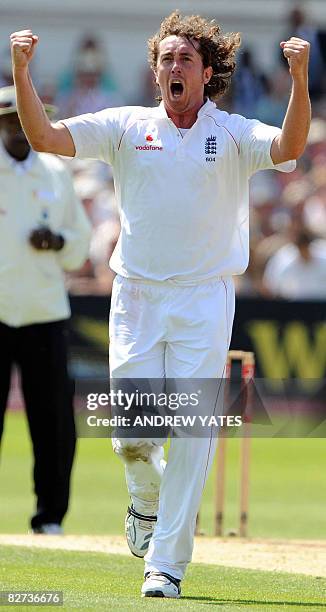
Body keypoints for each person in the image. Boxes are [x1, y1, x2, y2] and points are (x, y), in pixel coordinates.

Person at [10, 11, 310, 597]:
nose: (174, 67)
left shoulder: (232, 133)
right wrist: (22, 73)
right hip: (138, 297)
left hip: (205, 298)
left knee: (192, 436)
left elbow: (290, 145)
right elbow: (45, 137)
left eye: (185, 60)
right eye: (166, 59)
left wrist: (299, 80)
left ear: (207, 74)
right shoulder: (125, 125)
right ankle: (145, 501)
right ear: (155, 72)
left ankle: (165, 565)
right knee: (134, 439)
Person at [0, 86, 91, 534]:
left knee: (53, 421)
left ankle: (50, 518)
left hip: (44, 309)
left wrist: (56, 242)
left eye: (24, 119)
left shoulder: (56, 172)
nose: (19, 128)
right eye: (11, 120)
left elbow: (79, 245)